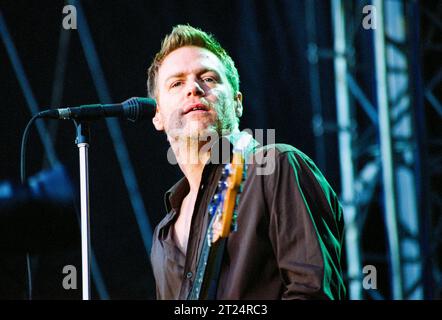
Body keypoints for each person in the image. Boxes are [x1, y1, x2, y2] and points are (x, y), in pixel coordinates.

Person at [148, 24, 346, 300]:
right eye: (176, 83)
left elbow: (313, 293)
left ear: (237, 102)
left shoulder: (277, 167)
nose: (193, 88)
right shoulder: (163, 232)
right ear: (157, 114)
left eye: (208, 78)